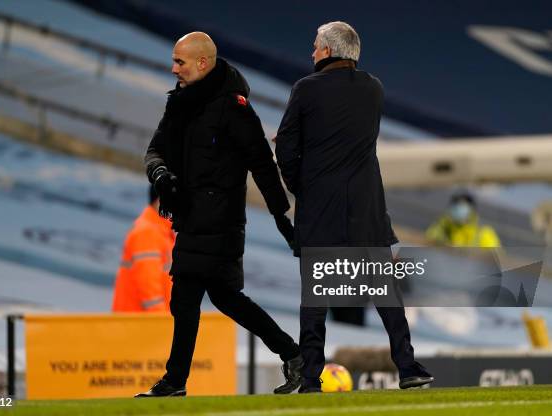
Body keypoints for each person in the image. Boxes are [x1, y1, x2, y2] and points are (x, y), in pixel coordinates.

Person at [136, 32, 303, 397]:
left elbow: (262, 163)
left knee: (186, 296)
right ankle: (294, 354)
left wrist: (281, 219)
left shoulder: (233, 107)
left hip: (220, 220)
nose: (173, 68)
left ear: (203, 63)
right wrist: (160, 174)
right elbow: (154, 151)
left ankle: (175, 381)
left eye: (180, 62)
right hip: (191, 216)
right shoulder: (178, 102)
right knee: (225, 298)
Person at [275, 21, 433, 392]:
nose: (312, 53)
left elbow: (285, 148)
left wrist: (303, 187)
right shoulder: (373, 89)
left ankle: (311, 379)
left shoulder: (305, 89)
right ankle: (408, 367)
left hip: (321, 210)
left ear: (328, 51)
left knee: (315, 298)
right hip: (366, 208)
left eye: (315, 47)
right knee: (386, 293)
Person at [112, 187, 174, 312]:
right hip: (138, 326)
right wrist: (163, 323)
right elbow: (149, 289)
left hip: (140, 324)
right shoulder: (148, 233)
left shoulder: (160, 232)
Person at [426, 191, 501, 247]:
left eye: (463, 206)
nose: (459, 210)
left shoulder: (484, 234)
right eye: (456, 206)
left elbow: (496, 261)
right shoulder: (440, 228)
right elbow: (426, 246)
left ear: (471, 210)